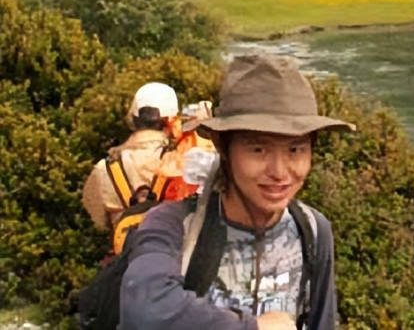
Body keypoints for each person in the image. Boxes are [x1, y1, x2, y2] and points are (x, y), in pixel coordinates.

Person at [118, 54, 355, 330]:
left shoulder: (312, 230)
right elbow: (144, 308)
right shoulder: (173, 225)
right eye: (258, 149)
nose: (280, 172)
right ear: (222, 146)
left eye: (295, 149)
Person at [82, 82, 215, 235]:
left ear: (133, 119)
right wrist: (207, 134)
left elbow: (97, 219)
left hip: (128, 249)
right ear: (172, 122)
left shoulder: (104, 170)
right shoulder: (186, 161)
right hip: (176, 248)